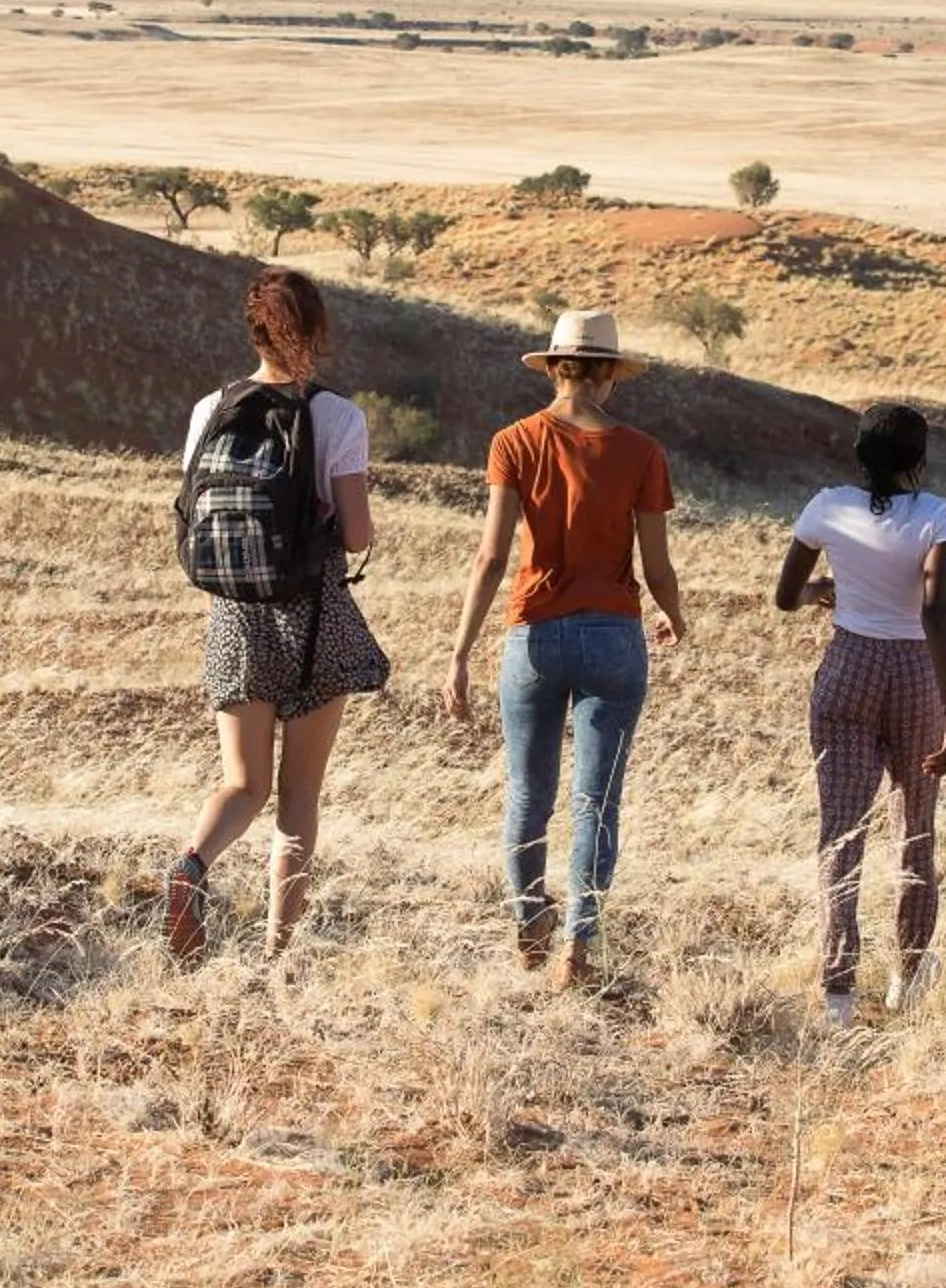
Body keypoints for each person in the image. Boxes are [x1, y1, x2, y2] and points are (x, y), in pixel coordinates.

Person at [443, 311, 689, 988]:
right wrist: (674, 616)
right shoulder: (642, 452)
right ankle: (580, 945)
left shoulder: (513, 442)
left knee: (527, 795)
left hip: (533, 634)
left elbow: (492, 556)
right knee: (596, 801)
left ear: (555, 368)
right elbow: (656, 564)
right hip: (612, 633)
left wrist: (461, 651)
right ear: (609, 374)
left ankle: (529, 921)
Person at [163, 268, 389, 965]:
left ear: (252, 330)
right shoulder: (337, 417)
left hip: (235, 618)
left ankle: (192, 867)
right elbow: (355, 536)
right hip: (312, 620)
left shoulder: (212, 408)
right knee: (297, 800)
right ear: (318, 331)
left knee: (243, 783)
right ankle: (275, 952)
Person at [772, 403, 946, 1030]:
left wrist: (825, 591)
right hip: (914, 675)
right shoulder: (937, 515)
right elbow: (937, 611)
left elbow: (784, 597)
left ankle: (838, 993)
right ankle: (907, 975)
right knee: (915, 830)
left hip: (848, 667)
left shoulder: (828, 507)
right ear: (919, 460)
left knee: (841, 833)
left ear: (858, 456)